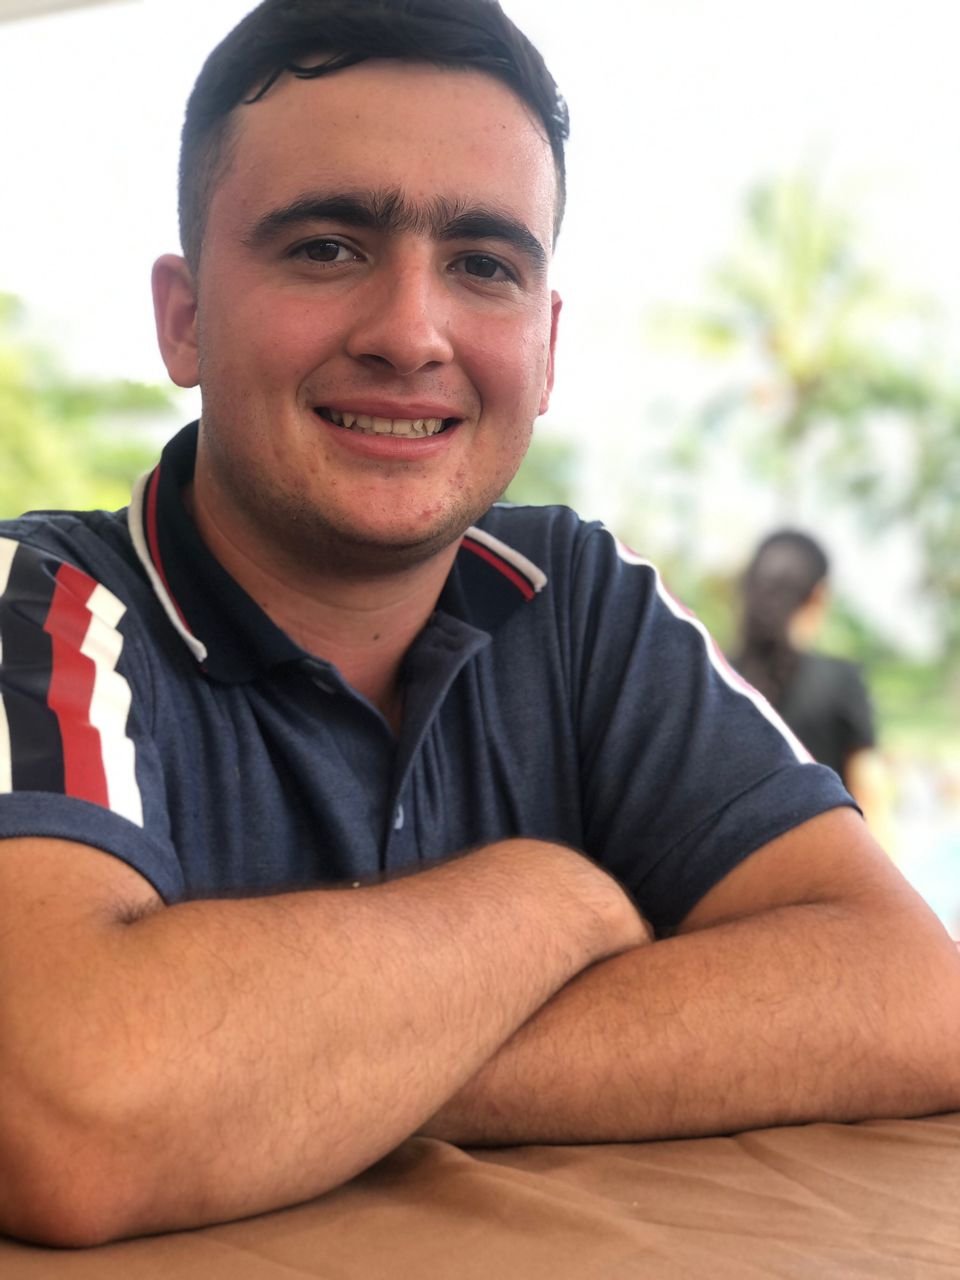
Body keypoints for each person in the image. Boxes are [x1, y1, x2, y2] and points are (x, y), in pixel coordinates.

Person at [0, 0, 957, 1250]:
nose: (411, 332)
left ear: (545, 347)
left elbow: (912, 989)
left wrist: (302, 1073)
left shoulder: (577, 599)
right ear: (184, 317)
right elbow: (66, 1110)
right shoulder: (42, 604)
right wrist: (546, 901)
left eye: (485, 265)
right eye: (327, 247)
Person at [732, 529, 893, 838]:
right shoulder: (840, 682)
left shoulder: (717, 677)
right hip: (826, 863)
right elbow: (871, 799)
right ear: (818, 595)